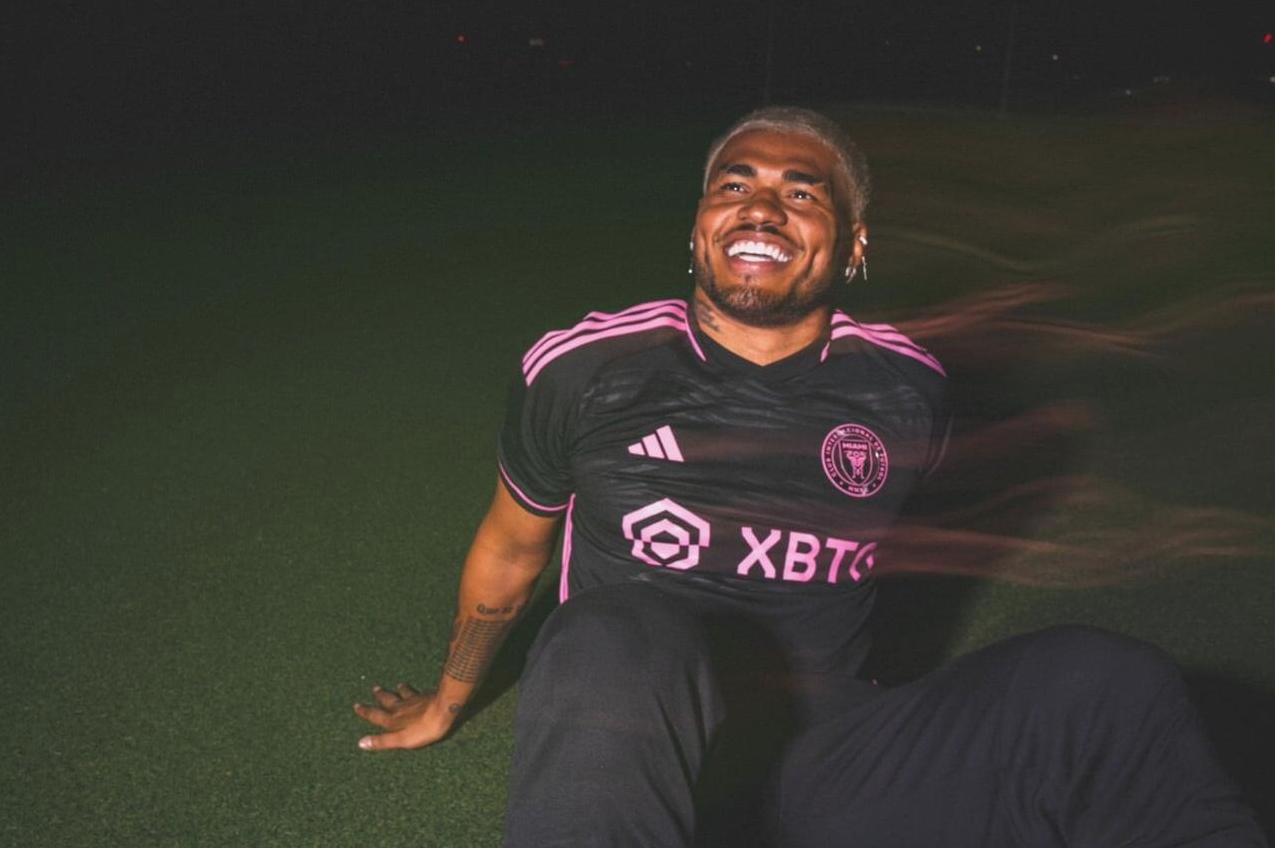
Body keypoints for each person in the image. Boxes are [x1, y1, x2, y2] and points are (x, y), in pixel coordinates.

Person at [354, 107, 1266, 847]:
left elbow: (885, 568)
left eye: (802, 192)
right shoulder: (585, 368)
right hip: (637, 756)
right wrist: (446, 701)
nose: (760, 207)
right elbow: (513, 551)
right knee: (608, 633)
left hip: (832, 764)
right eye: (734, 185)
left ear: (852, 243)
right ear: (698, 226)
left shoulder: (909, 389)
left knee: (1103, 675)